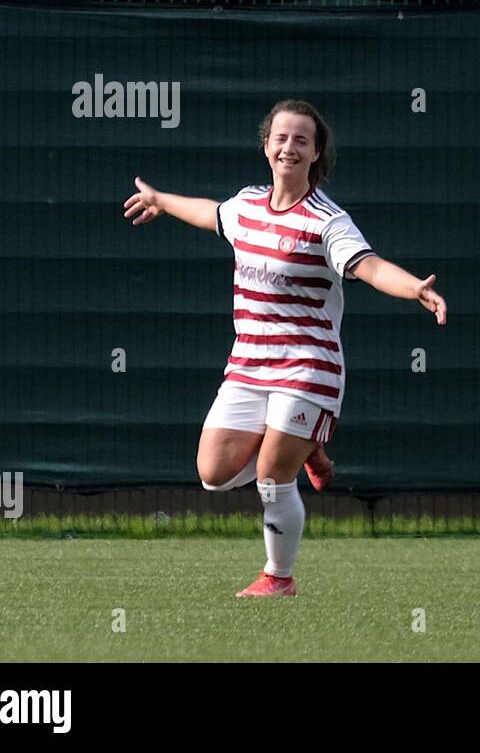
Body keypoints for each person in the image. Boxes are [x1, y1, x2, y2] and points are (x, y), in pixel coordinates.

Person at [123, 99, 447, 597]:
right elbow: (212, 215)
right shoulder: (248, 204)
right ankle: (306, 445)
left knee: (273, 476)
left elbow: (369, 266)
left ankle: (279, 577)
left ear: (316, 152)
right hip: (250, 362)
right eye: (281, 138)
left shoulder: (327, 220)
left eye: (301, 140)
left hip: (308, 365)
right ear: (267, 146)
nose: (289, 147)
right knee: (211, 474)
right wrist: (163, 201)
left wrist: (415, 289)